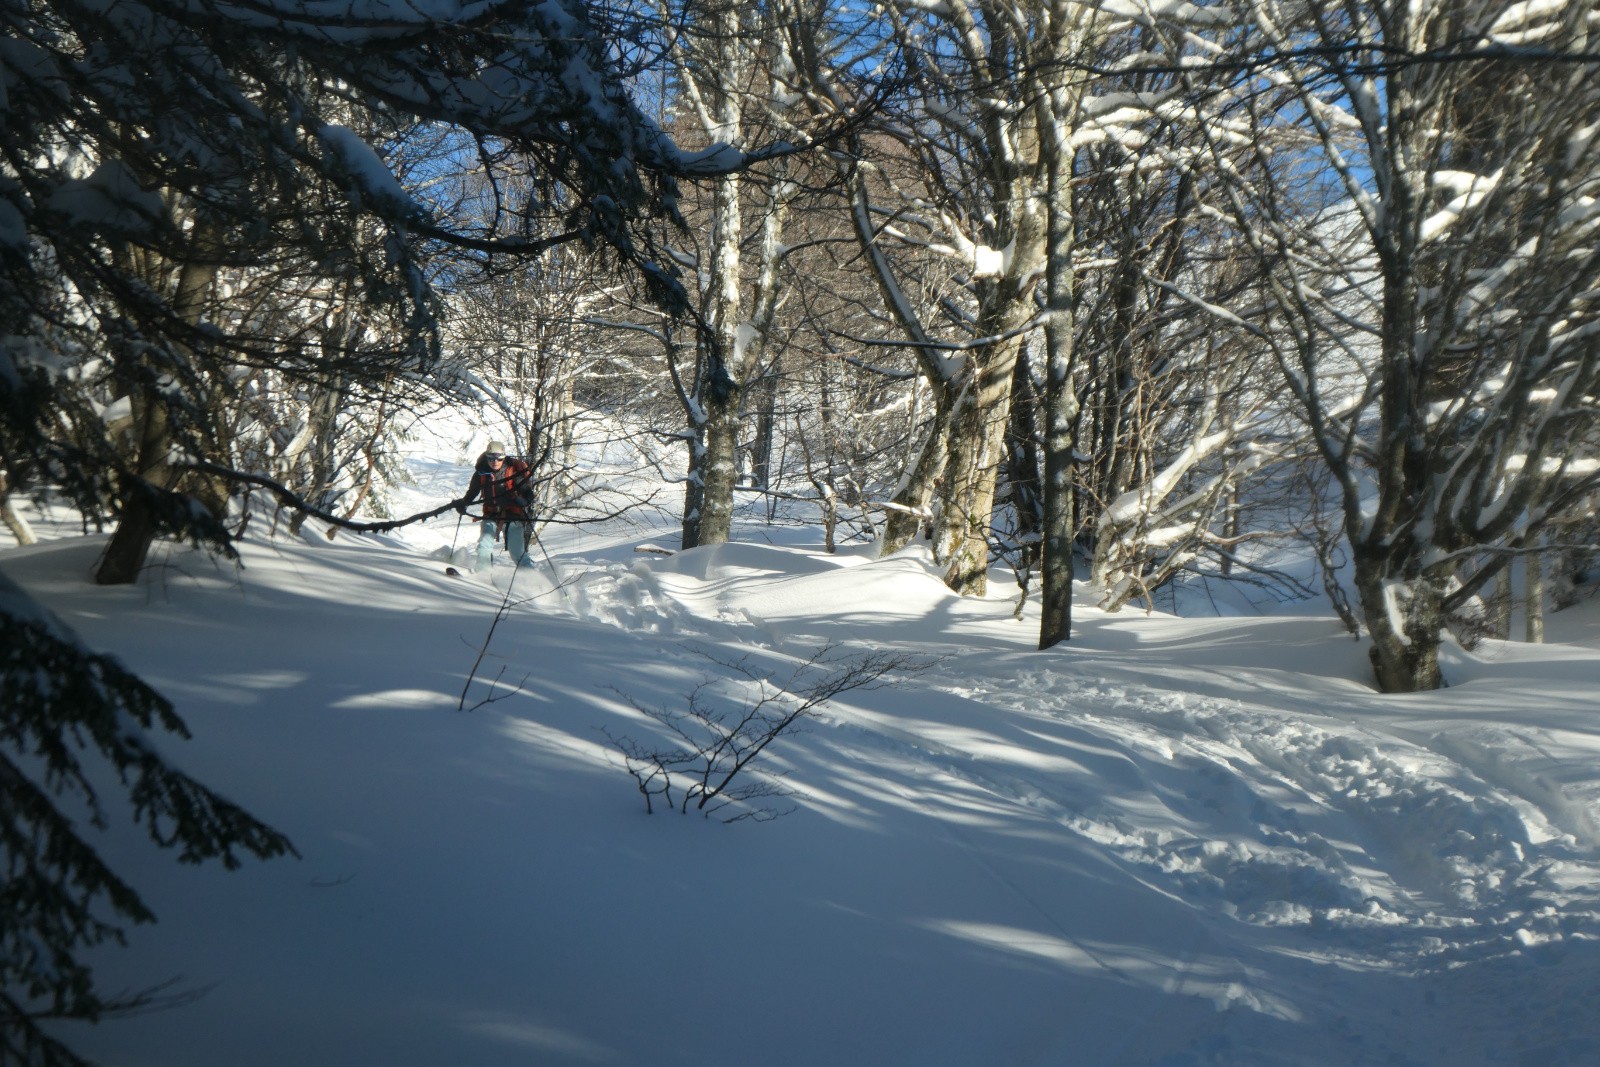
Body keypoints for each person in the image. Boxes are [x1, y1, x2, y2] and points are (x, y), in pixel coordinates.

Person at [456, 441, 535, 572]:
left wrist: (524, 501)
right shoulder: (481, 474)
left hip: (513, 516)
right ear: (486, 457)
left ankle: (532, 580)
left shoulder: (512, 471)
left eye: (499, 457)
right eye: (491, 458)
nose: (495, 461)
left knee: (517, 553)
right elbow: (472, 492)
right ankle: (483, 576)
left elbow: (528, 493)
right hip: (491, 514)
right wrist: (464, 503)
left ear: (504, 457)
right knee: (483, 546)